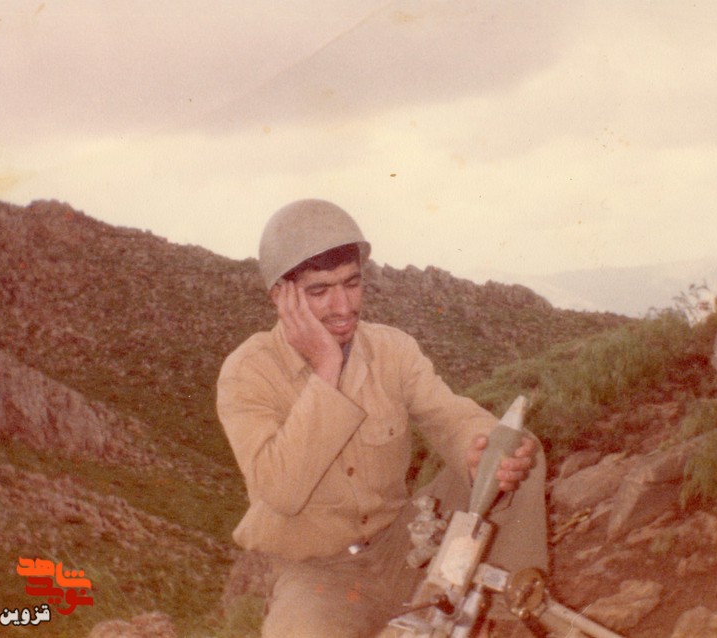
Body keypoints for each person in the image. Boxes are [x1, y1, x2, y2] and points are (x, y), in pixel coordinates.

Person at [216, 199, 548, 637]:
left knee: (516, 450)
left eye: (352, 284)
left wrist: (479, 448)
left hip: (407, 544)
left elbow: (449, 416)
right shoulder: (247, 373)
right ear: (282, 296)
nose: (343, 306)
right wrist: (327, 368)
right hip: (319, 575)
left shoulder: (392, 349)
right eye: (320, 291)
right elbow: (281, 491)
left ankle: (511, 617)